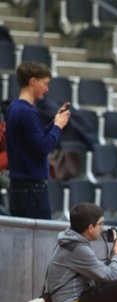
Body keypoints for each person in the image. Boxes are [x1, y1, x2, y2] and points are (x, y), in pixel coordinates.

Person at [6, 61, 70, 220]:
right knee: (38, 240)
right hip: (31, 190)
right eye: (45, 83)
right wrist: (57, 126)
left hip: (21, 187)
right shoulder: (27, 112)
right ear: (33, 81)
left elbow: (33, 140)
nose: (47, 89)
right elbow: (42, 148)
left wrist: (54, 123)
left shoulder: (15, 107)